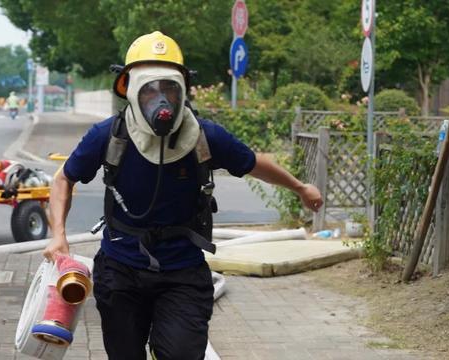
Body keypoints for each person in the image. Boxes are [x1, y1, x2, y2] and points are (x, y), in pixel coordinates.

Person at [43, 31, 323, 360]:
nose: (160, 101)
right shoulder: (109, 135)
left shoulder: (205, 137)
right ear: (130, 90)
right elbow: (64, 179)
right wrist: (58, 235)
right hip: (121, 269)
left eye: (169, 89)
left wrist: (300, 187)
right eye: (150, 90)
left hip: (183, 272)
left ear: (183, 91)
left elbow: (252, 163)